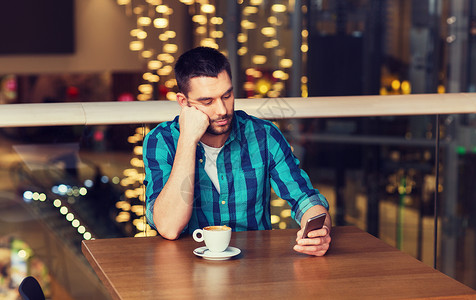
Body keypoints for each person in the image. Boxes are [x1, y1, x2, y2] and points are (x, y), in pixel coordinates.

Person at [143, 46, 331, 256]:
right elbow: (168, 227)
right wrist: (188, 140)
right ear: (183, 102)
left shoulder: (264, 135)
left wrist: (320, 231)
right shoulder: (161, 141)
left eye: (227, 95)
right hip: (184, 270)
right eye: (207, 101)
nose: (222, 110)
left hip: (253, 265)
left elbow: (305, 198)